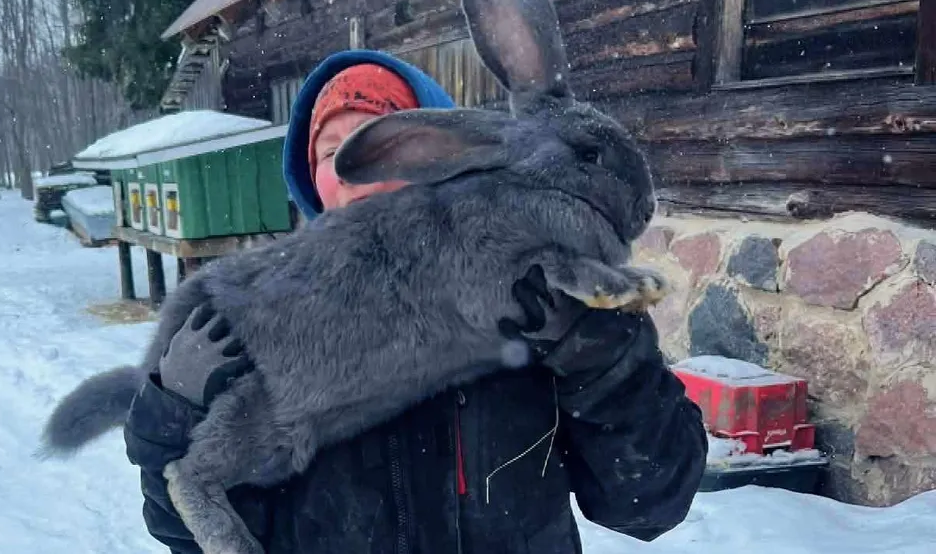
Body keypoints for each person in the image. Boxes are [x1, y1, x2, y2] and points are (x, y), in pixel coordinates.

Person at [124, 50, 708, 554]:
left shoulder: (538, 298)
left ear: (438, 153)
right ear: (311, 178)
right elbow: (179, 527)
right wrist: (172, 412)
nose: (362, 175)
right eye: (333, 151)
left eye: (380, 139)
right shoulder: (266, 318)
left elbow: (650, 502)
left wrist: (601, 360)